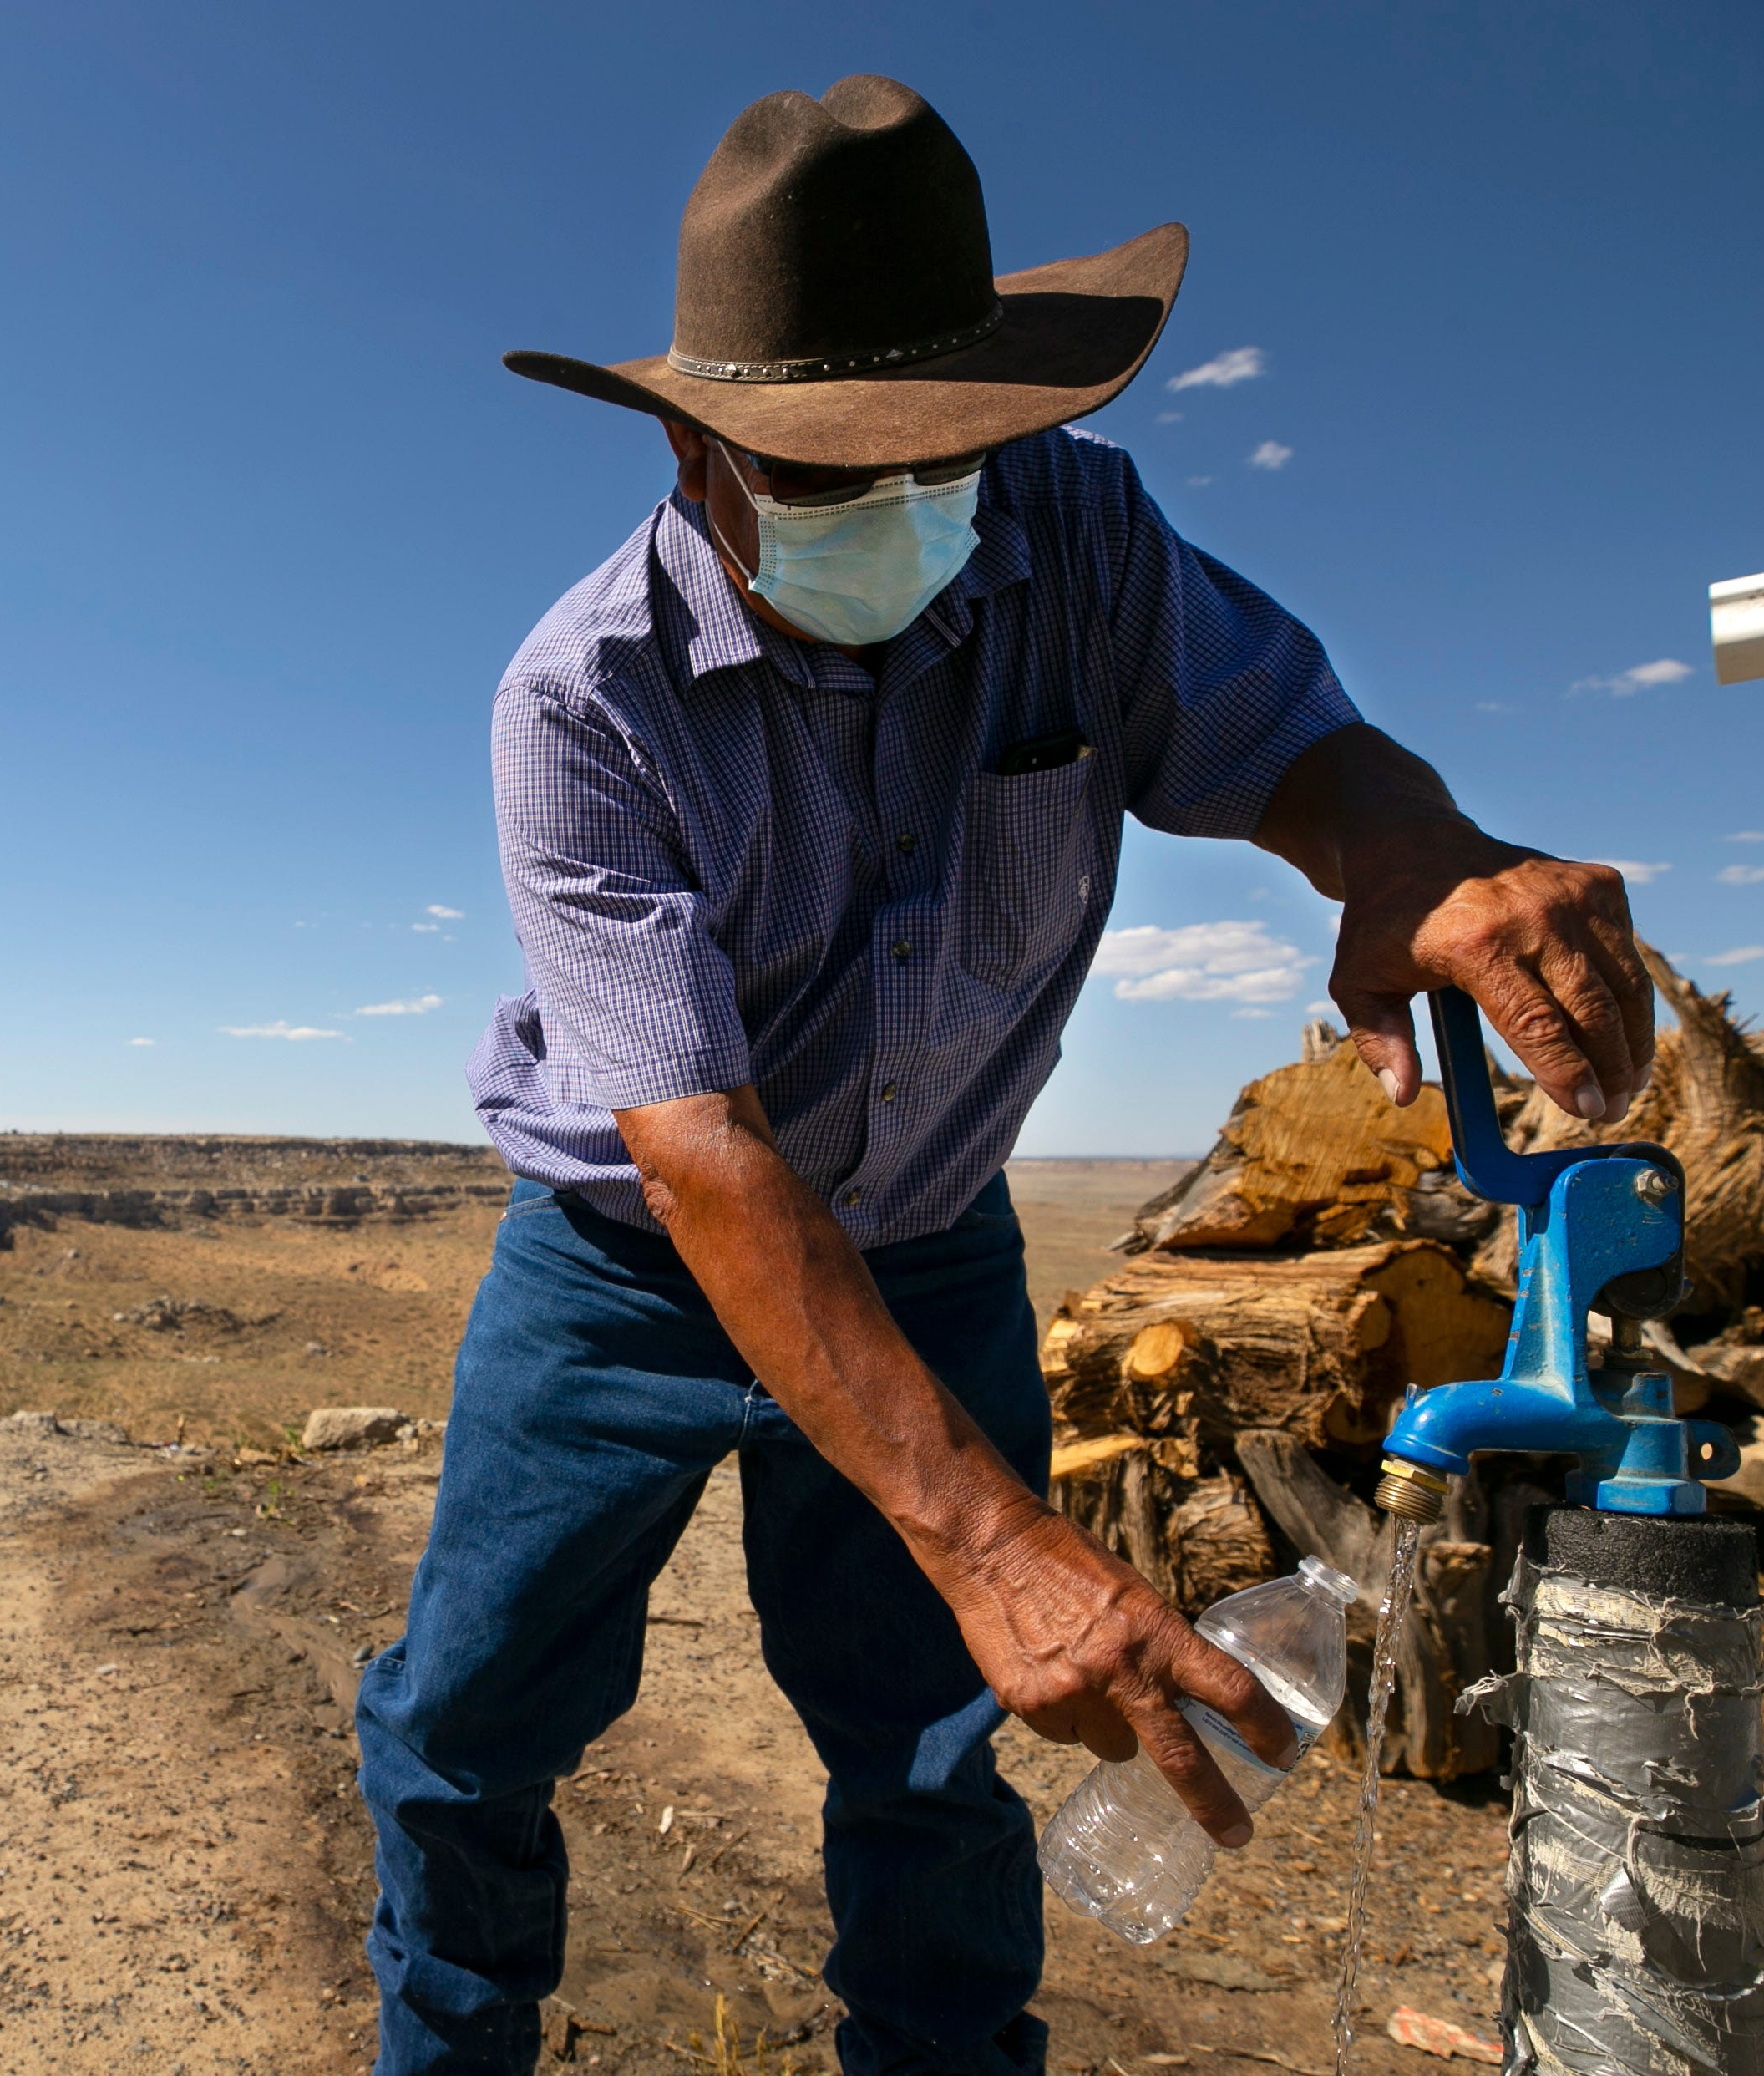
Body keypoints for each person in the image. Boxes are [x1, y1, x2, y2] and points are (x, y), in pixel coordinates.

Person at [351, 74, 1651, 2076]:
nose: (925, 511)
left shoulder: (1073, 535)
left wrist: (1417, 855)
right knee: (468, 1727)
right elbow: (701, 1152)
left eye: (950, 452)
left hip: (933, 1232)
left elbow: (1290, 739)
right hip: (633, 1264)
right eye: (841, 473)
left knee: (942, 1755)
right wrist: (992, 1539)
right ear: (700, 448)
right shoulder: (582, 701)